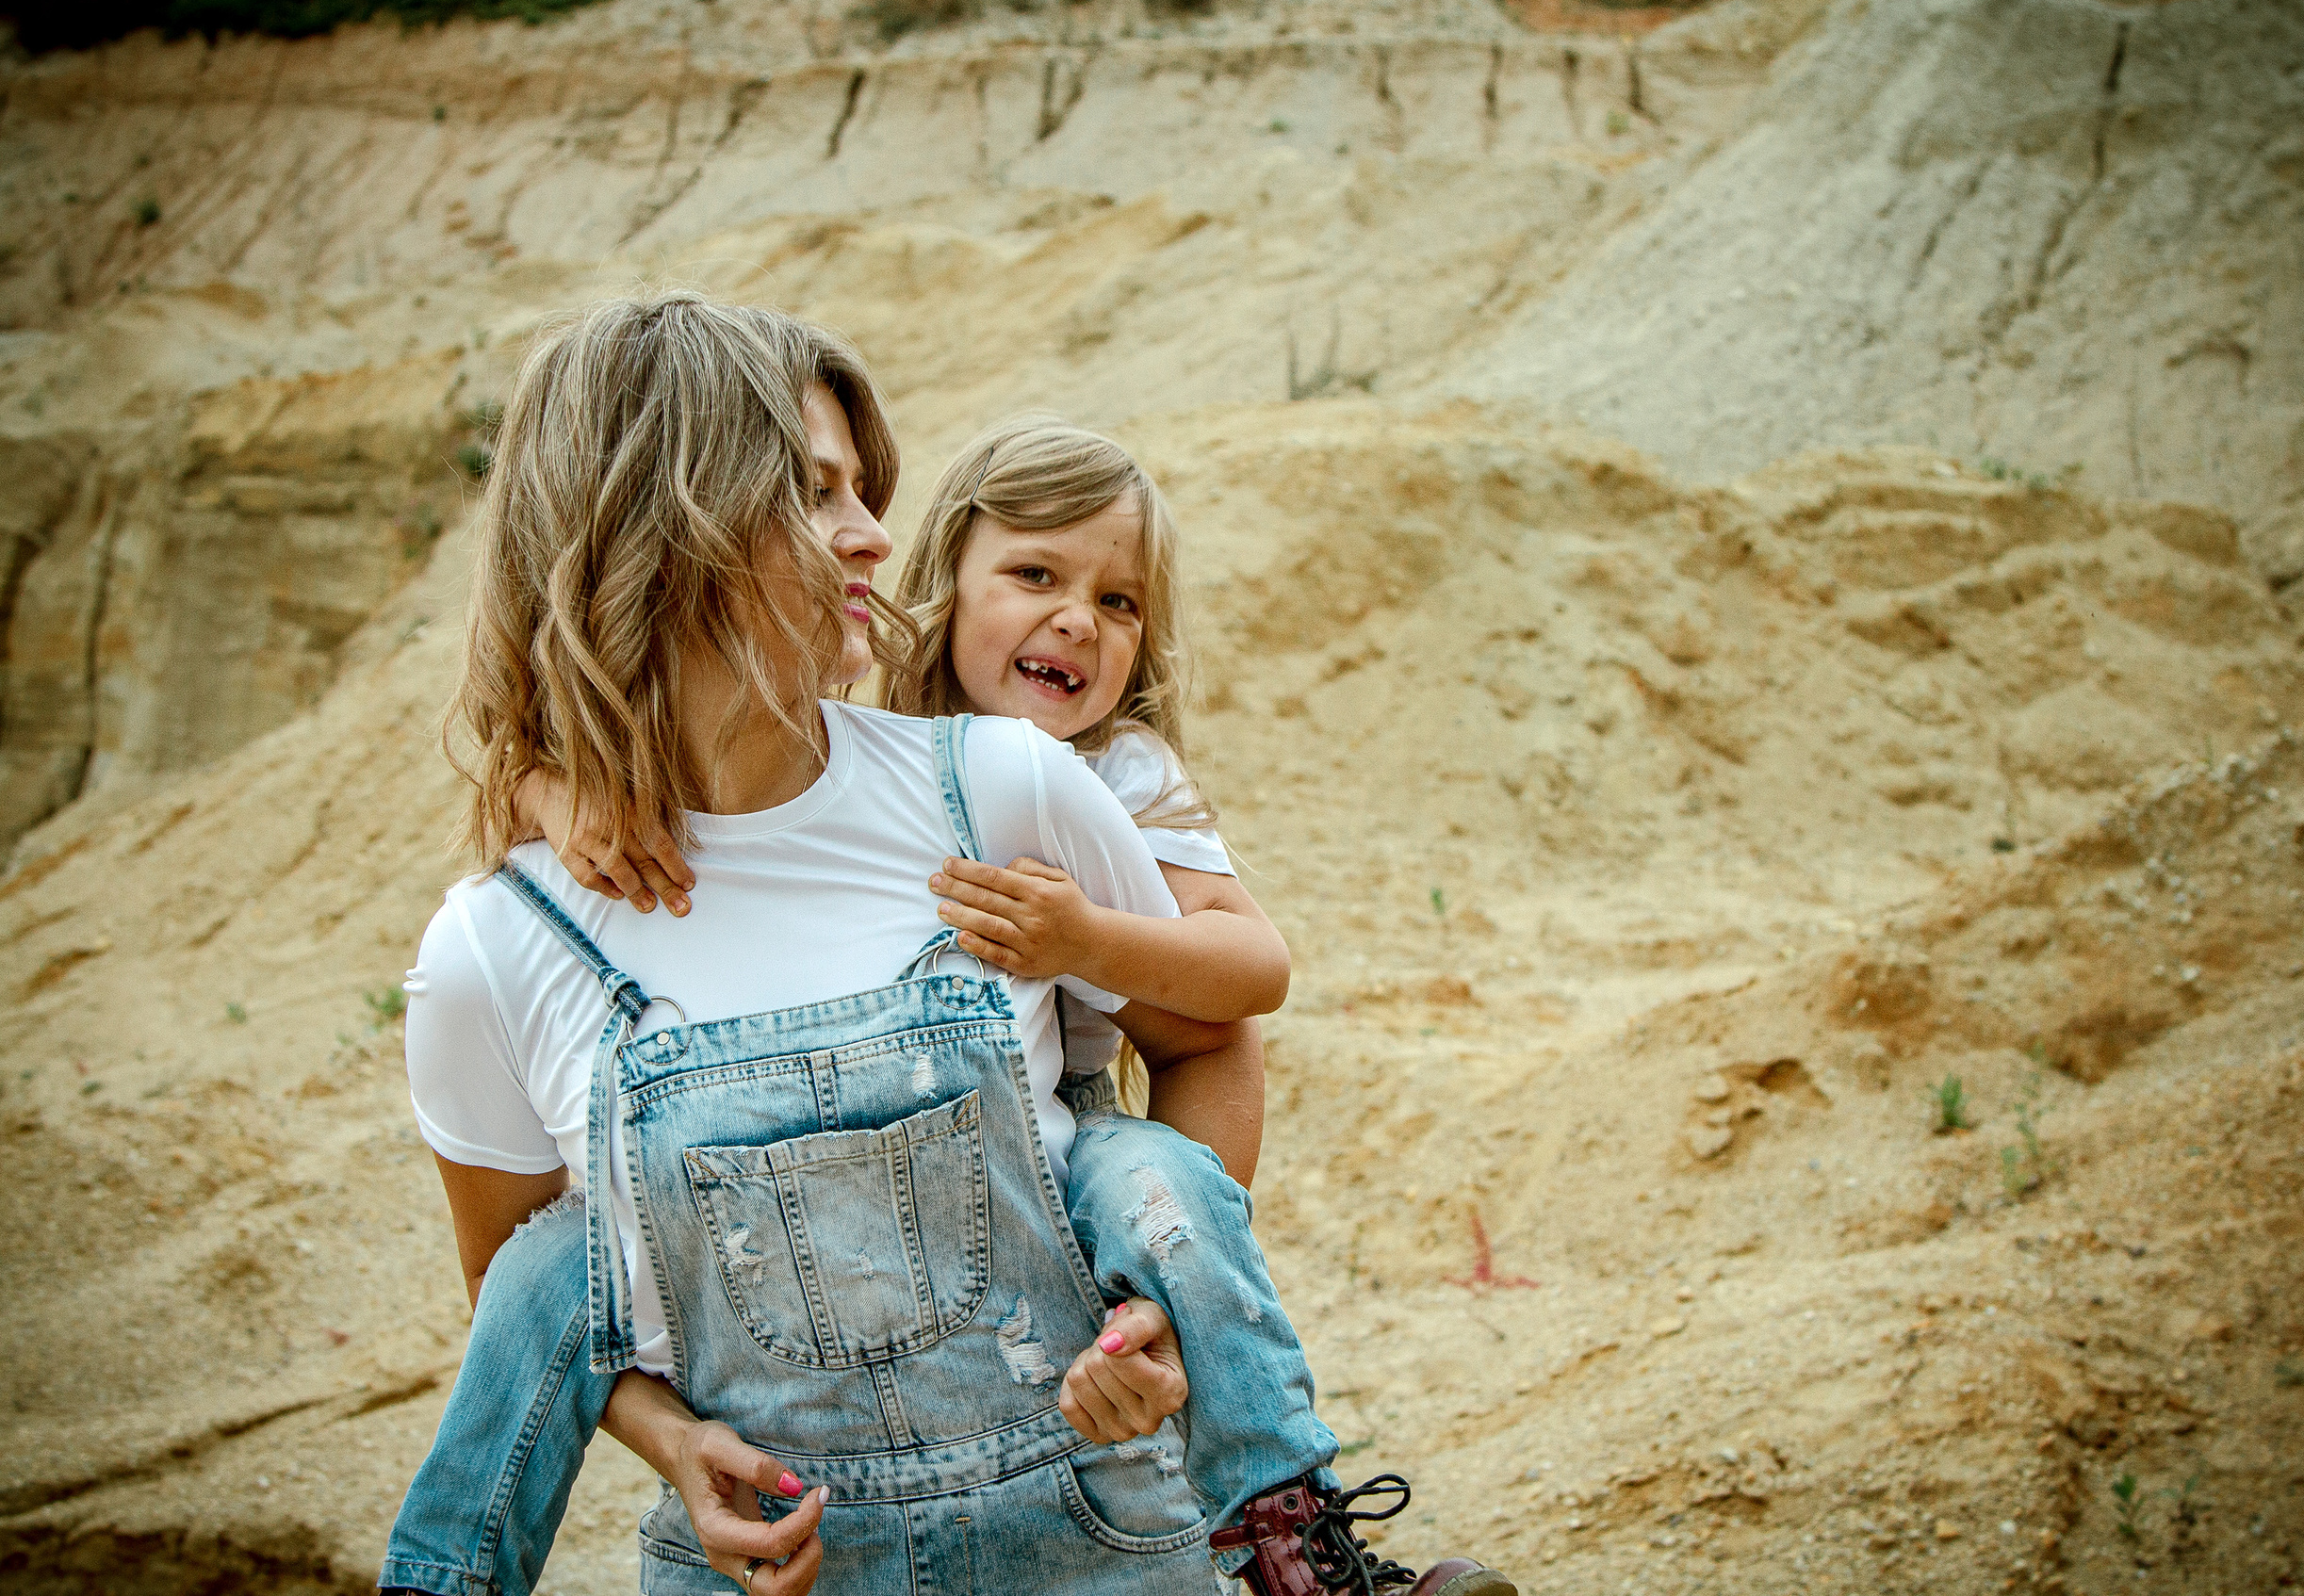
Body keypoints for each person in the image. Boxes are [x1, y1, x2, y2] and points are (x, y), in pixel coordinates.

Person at [384, 296, 1511, 1596]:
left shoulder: (1004, 788)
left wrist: (1162, 1310)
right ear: (656, 534)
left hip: (1102, 1545)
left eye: (866, 488)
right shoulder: (504, 941)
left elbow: (1213, 1028)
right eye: (815, 494)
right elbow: (526, 1284)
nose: (874, 532)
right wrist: (674, 1443)